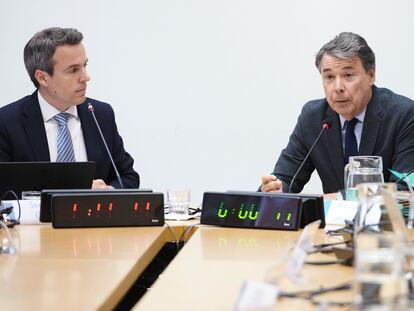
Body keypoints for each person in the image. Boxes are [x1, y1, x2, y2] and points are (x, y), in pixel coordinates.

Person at [261, 32, 414, 194]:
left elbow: (404, 192)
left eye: (348, 75)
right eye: (329, 77)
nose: (338, 87)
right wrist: (275, 190)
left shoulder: (403, 115)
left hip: (387, 220)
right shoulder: (313, 118)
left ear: (371, 75)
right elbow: (285, 178)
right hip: (332, 220)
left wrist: (335, 201)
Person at [0, 27, 139, 189]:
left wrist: (107, 191)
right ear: (43, 77)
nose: (86, 77)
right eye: (73, 70)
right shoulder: (7, 123)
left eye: (84, 65)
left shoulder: (100, 114)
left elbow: (128, 177)